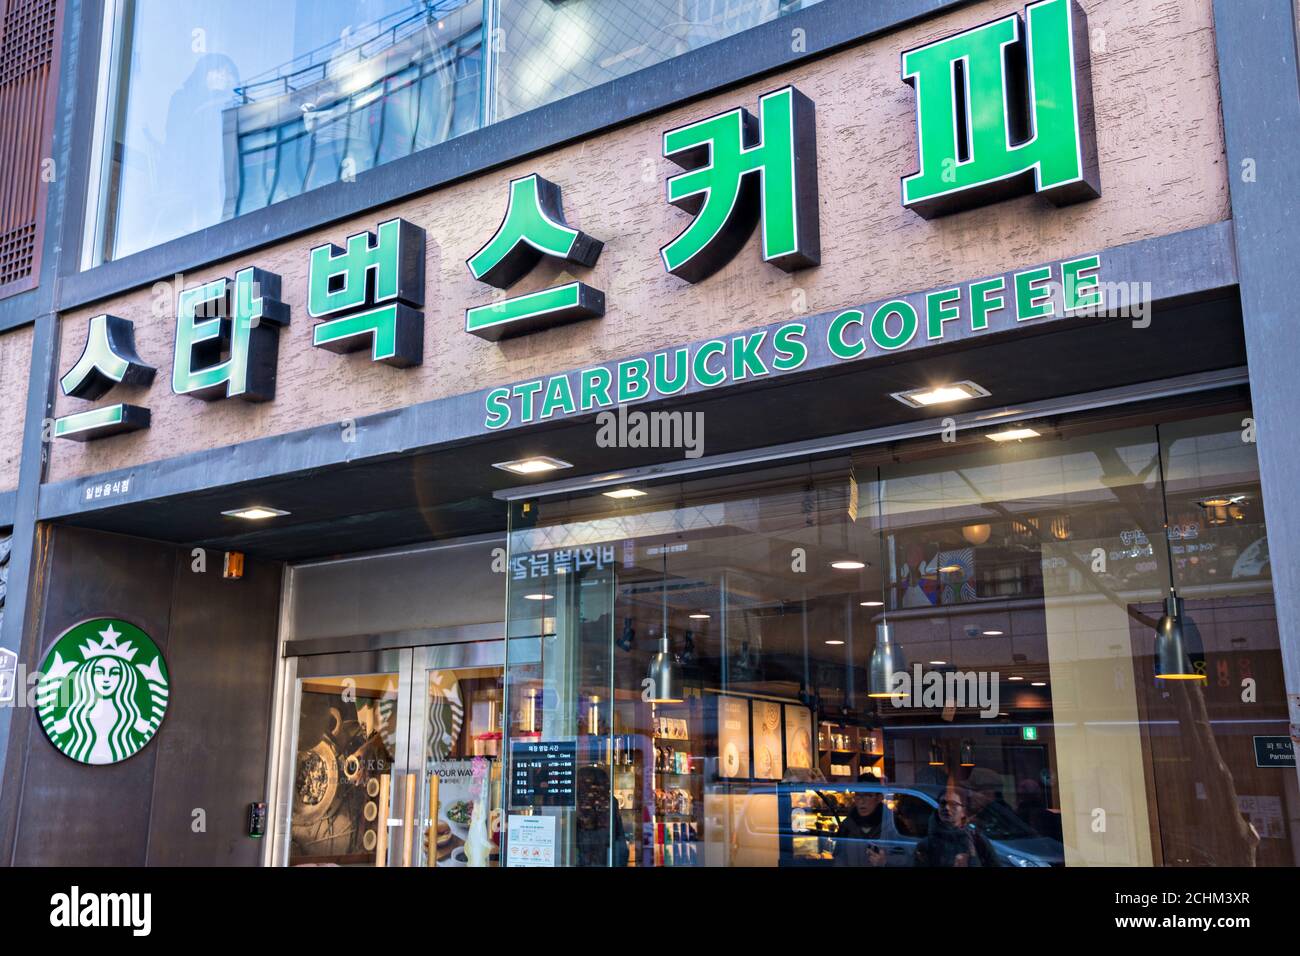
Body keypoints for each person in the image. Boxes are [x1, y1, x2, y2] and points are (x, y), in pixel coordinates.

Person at [913, 786, 998, 867]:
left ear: (964, 811)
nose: (946, 808)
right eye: (943, 803)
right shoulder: (927, 845)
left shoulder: (977, 840)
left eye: (953, 804)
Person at [832, 773, 887, 867]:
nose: (861, 801)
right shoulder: (847, 826)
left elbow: (907, 859)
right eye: (858, 795)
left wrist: (886, 863)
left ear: (879, 798)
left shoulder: (893, 824)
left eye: (868, 795)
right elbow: (839, 858)